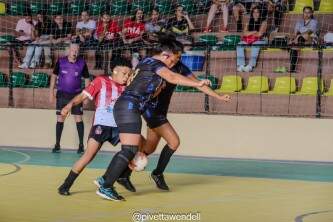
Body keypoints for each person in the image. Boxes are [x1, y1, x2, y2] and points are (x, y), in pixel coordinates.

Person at [95, 33, 211, 201]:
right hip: (129, 106)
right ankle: (106, 186)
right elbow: (172, 76)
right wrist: (197, 83)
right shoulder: (153, 62)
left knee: (133, 150)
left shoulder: (147, 64)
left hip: (129, 106)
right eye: (172, 60)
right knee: (130, 150)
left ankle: (105, 180)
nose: (173, 64)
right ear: (164, 55)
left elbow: (149, 86)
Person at [100, 61, 231, 192]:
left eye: (177, 55)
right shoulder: (154, 65)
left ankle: (121, 175)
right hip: (151, 110)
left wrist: (218, 97)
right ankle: (156, 174)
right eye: (173, 55)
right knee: (174, 141)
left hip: (161, 110)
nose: (174, 58)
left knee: (148, 148)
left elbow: (198, 84)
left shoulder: (179, 67)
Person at [57, 59, 132, 195]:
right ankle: (66, 185)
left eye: (129, 74)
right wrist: (68, 106)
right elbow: (82, 96)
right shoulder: (100, 81)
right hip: (101, 125)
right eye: (124, 73)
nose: (126, 77)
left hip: (119, 127)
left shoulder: (127, 87)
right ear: (115, 71)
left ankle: (120, 177)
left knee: (135, 147)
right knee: (88, 156)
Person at [49, 43, 90, 154]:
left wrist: (86, 95)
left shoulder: (82, 63)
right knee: (60, 118)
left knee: (78, 118)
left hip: (76, 95)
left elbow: (87, 79)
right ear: (69, 51)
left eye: (77, 50)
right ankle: (57, 145)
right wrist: (51, 92)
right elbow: (53, 76)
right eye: (73, 50)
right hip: (62, 94)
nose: (75, 52)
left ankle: (81, 145)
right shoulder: (61, 61)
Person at [236, 6, 268, 72]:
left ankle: (250, 66)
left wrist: (249, 33)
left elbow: (260, 34)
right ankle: (241, 65)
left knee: (256, 44)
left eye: (257, 12)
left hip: (261, 40)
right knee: (239, 44)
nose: (255, 14)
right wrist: (254, 32)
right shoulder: (249, 22)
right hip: (250, 40)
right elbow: (244, 33)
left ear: (260, 14)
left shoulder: (264, 22)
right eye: (254, 12)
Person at [289, 6, 318, 73]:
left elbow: (310, 32)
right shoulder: (299, 22)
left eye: (309, 13)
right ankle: (292, 69)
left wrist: (299, 36)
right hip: (300, 40)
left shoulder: (314, 22)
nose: (307, 14)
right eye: (305, 12)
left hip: (311, 40)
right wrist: (294, 38)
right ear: (303, 13)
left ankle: (292, 68)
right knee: (294, 43)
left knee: (302, 37)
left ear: (312, 13)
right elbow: (295, 33)